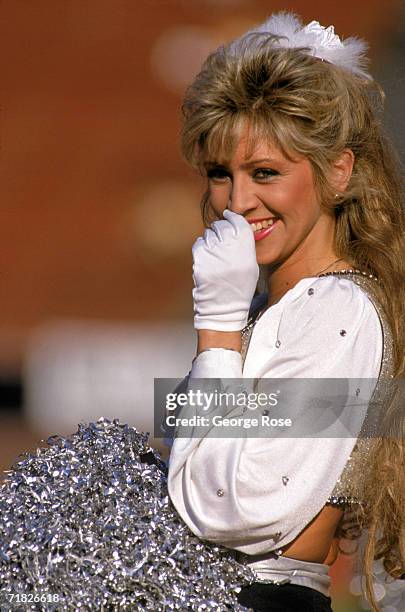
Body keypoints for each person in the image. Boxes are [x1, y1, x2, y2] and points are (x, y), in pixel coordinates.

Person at [167, 12, 405, 612]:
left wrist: (216, 333)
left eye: (266, 173)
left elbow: (228, 506)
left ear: (338, 171)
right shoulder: (266, 303)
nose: (239, 202)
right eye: (222, 174)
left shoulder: (339, 311)